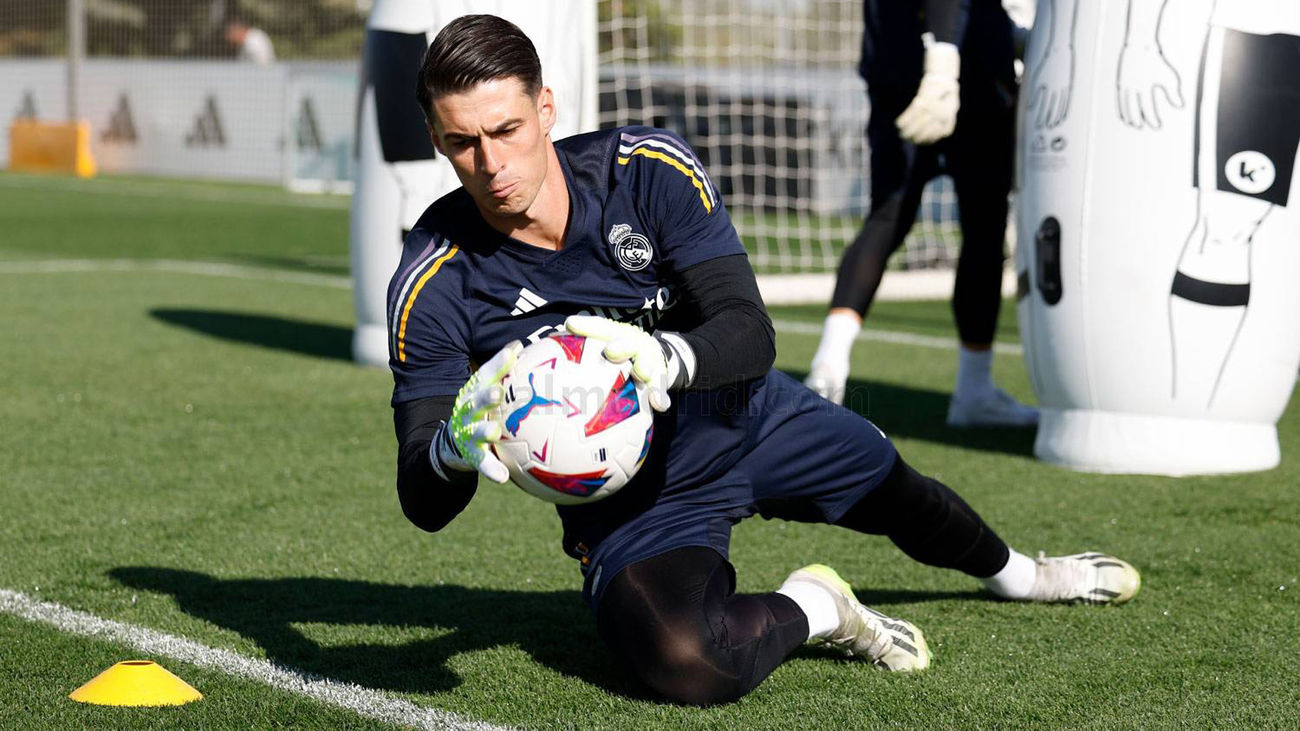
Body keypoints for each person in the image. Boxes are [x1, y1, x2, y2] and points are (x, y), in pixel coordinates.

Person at [389, 14, 1139, 706]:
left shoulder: (644, 171)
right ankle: (822, 606)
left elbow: (749, 330)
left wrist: (668, 357)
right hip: (633, 502)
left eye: (507, 129)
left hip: (742, 412)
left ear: (546, 108)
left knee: (898, 491)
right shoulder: (434, 278)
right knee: (685, 663)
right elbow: (422, 502)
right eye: (463, 142)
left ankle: (1022, 575)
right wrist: (451, 450)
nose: (491, 162)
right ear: (436, 138)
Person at [805, 0, 1037, 427]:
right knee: (982, 226)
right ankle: (973, 390)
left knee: (889, 217)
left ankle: (828, 368)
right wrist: (944, 61)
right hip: (967, 71)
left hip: (899, 63)